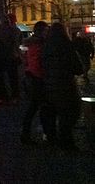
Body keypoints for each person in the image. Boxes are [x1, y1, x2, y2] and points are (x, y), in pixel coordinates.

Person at [41, 22, 84, 150]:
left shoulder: (46, 47)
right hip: (65, 86)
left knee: (51, 113)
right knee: (70, 113)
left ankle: (51, 138)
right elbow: (78, 68)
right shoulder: (67, 46)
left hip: (48, 86)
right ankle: (66, 141)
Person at [20, 21, 50, 145]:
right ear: (42, 31)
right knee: (38, 107)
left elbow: (27, 60)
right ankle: (45, 133)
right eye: (46, 30)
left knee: (34, 107)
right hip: (38, 78)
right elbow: (38, 62)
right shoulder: (40, 44)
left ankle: (27, 133)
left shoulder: (28, 43)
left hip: (30, 77)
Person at [0, 14, 22, 105]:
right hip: (12, 56)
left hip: (0, 57)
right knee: (13, 78)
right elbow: (19, 42)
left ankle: (3, 97)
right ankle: (15, 97)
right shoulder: (16, 30)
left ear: (0, 21)